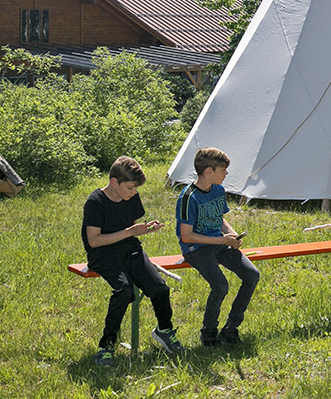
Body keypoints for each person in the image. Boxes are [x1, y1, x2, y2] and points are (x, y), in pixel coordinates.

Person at [82, 155, 184, 365]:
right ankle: (106, 347)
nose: (134, 192)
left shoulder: (130, 197)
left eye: (136, 188)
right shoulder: (95, 202)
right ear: (114, 182)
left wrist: (143, 230)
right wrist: (129, 232)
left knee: (160, 289)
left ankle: (164, 331)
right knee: (124, 291)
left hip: (130, 250)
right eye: (130, 188)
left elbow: (130, 229)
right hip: (102, 255)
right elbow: (93, 241)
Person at [175, 147, 260, 347]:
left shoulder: (218, 190)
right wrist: (223, 240)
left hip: (219, 244)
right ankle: (209, 332)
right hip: (196, 250)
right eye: (223, 169)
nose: (227, 174)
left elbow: (219, 218)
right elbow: (187, 236)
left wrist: (230, 233)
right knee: (221, 286)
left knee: (252, 275)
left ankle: (231, 328)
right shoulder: (189, 197)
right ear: (208, 172)